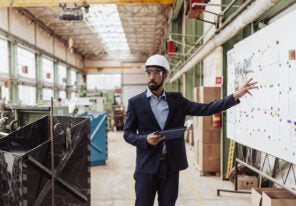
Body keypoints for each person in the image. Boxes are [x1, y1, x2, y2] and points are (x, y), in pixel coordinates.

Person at [123, 54, 257, 206]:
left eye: (156, 72)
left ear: (165, 74)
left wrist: (234, 96)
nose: (151, 77)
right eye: (148, 73)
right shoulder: (135, 103)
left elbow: (206, 109)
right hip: (146, 167)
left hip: (170, 166)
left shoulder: (177, 101)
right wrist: (144, 139)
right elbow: (128, 134)